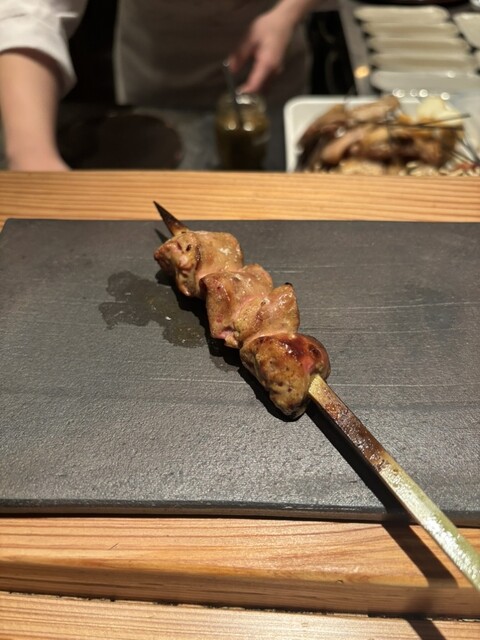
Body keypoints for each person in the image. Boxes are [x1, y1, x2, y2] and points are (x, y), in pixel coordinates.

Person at [0, 0, 319, 171]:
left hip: (272, 82)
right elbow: (29, 10)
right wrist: (31, 155)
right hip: (155, 77)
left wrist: (286, 14)